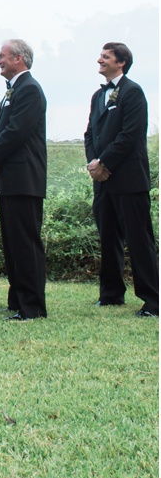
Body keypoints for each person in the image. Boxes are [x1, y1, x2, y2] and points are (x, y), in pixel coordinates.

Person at [84, 42, 155, 317]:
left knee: (139, 240)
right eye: (101, 55)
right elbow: (90, 133)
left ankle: (153, 300)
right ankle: (111, 294)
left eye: (106, 56)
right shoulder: (97, 96)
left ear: (121, 62)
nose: (99, 60)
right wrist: (94, 163)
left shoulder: (133, 92)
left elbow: (131, 135)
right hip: (102, 181)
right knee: (108, 237)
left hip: (128, 179)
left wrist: (105, 162)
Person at [0, 38, 49, 321]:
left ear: (19, 59)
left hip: (24, 178)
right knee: (12, 243)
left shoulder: (30, 90)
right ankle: (17, 299)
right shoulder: (13, 90)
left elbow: (16, 131)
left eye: (2, 56)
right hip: (9, 178)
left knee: (25, 242)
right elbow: (1, 129)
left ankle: (32, 307)